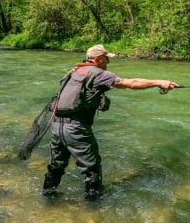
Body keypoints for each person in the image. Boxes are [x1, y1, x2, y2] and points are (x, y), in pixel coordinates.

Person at [42, 44, 179, 200]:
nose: (108, 62)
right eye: (106, 58)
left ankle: (47, 195)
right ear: (98, 59)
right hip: (76, 129)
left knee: (56, 165)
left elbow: (90, 90)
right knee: (91, 168)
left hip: (57, 127)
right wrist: (160, 82)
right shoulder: (99, 74)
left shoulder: (74, 71)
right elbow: (132, 83)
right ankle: (93, 208)